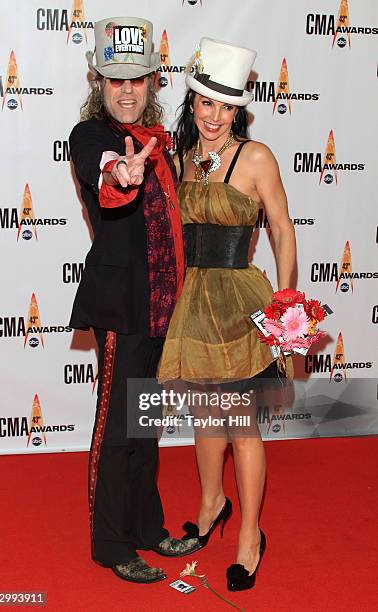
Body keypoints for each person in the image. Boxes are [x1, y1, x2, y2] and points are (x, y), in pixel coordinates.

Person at [157, 37, 297, 590]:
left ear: (239, 108)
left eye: (226, 106)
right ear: (192, 104)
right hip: (192, 301)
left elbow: (282, 229)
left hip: (238, 301)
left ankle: (250, 536)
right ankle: (213, 502)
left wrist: (286, 301)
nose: (214, 117)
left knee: (241, 426)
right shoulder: (180, 158)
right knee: (205, 419)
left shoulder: (255, 156)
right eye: (205, 103)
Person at [68, 17, 199, 584]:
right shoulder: (91, 137)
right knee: (118, 429)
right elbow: (110, 177)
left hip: (163, 309)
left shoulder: (163, 142)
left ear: (152, 82)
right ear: (98, 81)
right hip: (122, 307)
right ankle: (111, 542)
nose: (126, 91)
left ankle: (148, 528)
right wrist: (125, 171)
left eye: (138, 80)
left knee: (146, 426)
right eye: (115, 80)